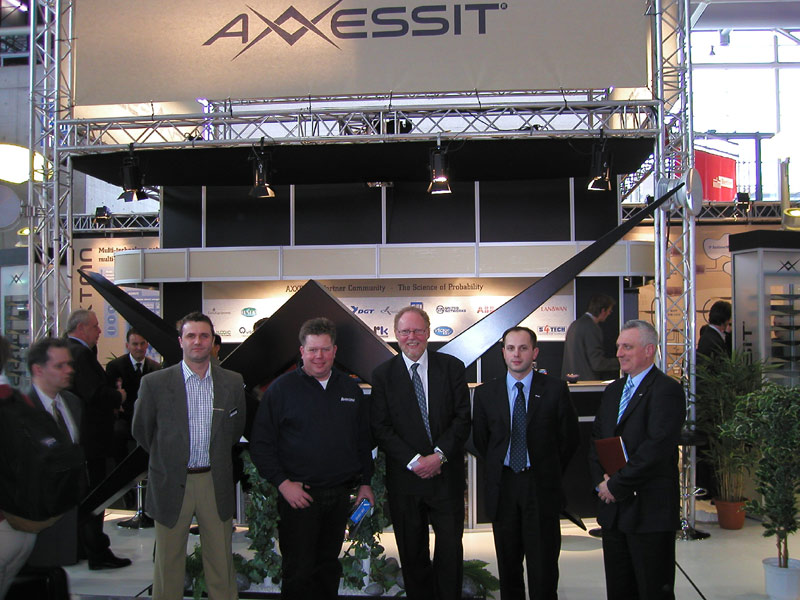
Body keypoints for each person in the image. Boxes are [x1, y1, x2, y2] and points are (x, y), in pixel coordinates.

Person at [250, 317, 374, 600]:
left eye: (325, 349)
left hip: (339, 496)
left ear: (335, 351)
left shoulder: (350, 390)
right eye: (313, 350)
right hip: (299, 497)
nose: (319, 356)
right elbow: (261, 445)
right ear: (302, 351)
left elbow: (361, 441)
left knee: (328, 569)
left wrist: (366, 483)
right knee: (298, 571)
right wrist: (283, 484)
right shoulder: (281, 390)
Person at [132, 312, 246, 600]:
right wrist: (169, 457)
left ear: (213, 341)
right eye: (191, 335)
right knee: (168, 562)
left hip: (213, 479)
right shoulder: (155, 383)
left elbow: (234, 430)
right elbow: (142, 431)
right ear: (180, 341)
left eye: (204, 336)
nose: (198, 341)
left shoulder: (232, 382)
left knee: (220, 561)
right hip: (171, 480)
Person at [371, 306, 471, 600]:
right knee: (412, 552)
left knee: (450, 551)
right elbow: (380, 427)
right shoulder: (383, 375)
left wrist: (438, 456)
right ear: (395, 334)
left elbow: (462, 418)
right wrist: (415, 461)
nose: (411, 337)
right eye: (405, 331)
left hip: (446, 476)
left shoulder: (452, 367)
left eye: (417, 330)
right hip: (406, 480)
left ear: (428, 332)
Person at [472, 326, 579, 600]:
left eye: (523, 348)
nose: (516, 354)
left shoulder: (555, 389)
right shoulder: (486, 393)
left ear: (535, 352)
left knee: (543, 567)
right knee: (508, 567)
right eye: (510, 348)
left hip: (541, 487)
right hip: (503, 487)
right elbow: (482, 441)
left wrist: (548, 469)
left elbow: (568, 439)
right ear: (503, 353)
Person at [588, 320, 685, 600]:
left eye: (627, 347)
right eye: (619, 346)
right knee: (619, 589)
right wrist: (600, 483)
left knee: (652, 589)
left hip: (649, 513)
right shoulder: (613, 391)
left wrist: (616, 485)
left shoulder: (666, 390)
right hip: (614, 513)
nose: (619, 353)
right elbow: (596, 440)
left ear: (649, 350)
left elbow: (656, 449)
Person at [64, 309, 131, 570]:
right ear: (81, 328)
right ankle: (96, 551)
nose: (100, 331)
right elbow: (93, 393)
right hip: (92, 440)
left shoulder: (69, 350)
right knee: (95, 495)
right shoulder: (80, 354)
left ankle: (82, 547)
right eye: (95, 326)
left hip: (81, 439)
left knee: (85, 495)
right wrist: (119, 397)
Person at [106, 328, 161, 466]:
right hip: (124, 418)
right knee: (117, 432)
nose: (139, 348)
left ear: (147, 344)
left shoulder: (156, 368)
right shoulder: (115, 366)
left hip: (147, 418)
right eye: (135, 344)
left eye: (142, 344)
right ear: (127, 345)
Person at [695, 300, 732, 500]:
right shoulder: (713, 340)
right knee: (708, 447)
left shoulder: (708, 336)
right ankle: (708, 489)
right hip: (710, 404)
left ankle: (706, 489)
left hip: (706, 403)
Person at [562, 294, 619, 381]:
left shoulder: (574, 324)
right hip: (587, 383)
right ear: (603, 310)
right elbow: (597, 363)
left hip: (571, 381)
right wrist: (622, 362)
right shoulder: (591, 327)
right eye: (609, 311)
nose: (609, 314)